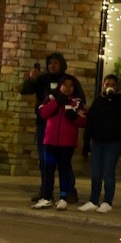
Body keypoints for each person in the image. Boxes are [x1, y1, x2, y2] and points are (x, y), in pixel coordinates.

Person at [21, 53, 77, 201]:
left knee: (64, 163)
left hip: (64, 127)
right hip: (44, 126)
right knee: (45, 161)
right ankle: (46, 191)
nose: (53, 65)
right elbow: (25, 90)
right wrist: (31, 78)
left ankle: (69, 191)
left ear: (62, 64)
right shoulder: (42, 79)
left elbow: (79, 100)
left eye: (56, 63)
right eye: (50, 63)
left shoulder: (69, 80)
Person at [81, 73, 121, 212]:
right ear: (103, 86)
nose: (109, 87)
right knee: (96, 172)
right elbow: (91, 122)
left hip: (114, 142)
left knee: (108, 172)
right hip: (98, 141)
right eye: (107, 84)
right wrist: (86, 142)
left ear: (117, 87)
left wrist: (114, 100)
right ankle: (93, 200)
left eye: (112, 84)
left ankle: (107, 201)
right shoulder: (99, 101)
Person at [36, 76, 87, 209]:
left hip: (67, 143)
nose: (68, 88)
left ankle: (63, 198)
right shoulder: (51, 99)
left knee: (64, 170)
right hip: (50, 141)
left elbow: (84, 121)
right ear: (60, 86)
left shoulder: (77, 102)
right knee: (48, 170)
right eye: (65, 85)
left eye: (71, 85)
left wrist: (74, 117)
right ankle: (46, 197)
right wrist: (57, 103)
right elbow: (42, 113)